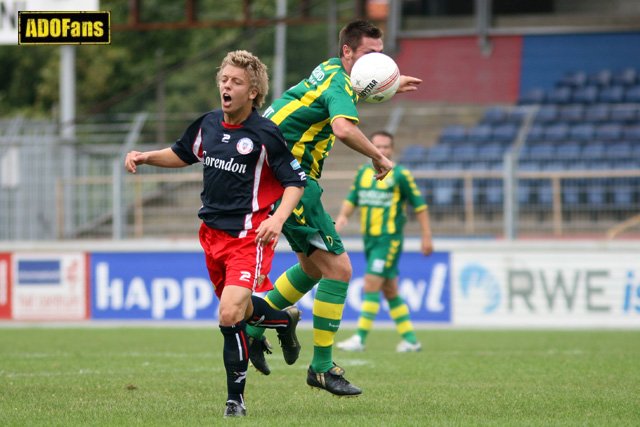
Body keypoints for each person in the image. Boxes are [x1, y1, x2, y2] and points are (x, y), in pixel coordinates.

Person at [124, 50, 307, 418]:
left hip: (248, 236)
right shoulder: (208, 124)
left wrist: (277, 220)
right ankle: (283, 319)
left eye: (236, 81)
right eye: (223, 79)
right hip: (211, 236)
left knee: (228, 313)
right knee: (237, 311)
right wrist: (145, 156)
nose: (226, 85)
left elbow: (294, 182)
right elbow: (182, 153)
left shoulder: (265, 134)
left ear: (253, 91)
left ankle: (234, 402)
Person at [244, 20, 422, 396]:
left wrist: (390, 82)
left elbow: (352, 89)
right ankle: (322, 367)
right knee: (339, 270)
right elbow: (342, 128)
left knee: (312, 268)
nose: (376, 61)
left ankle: (254, 329)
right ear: (347, 52)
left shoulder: (329, 69)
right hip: (290, 179)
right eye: (369, 54)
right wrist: (377, 156)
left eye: (381, 55)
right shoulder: (339, 82)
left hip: (272, 173)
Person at [334, 130, 433, 353]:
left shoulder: (400, 175)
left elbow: (420, 206)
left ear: (392, 149)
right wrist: (342, 217)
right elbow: (352, 200)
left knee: (370, 283)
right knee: (390, 291)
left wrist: (426, 236)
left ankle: (359, 338)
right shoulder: (362, 174)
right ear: (369, 148)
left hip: (389, 241)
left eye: (386, 147)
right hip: (369, 240)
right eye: (377, 146)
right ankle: (411, 340)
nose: (382, 150)